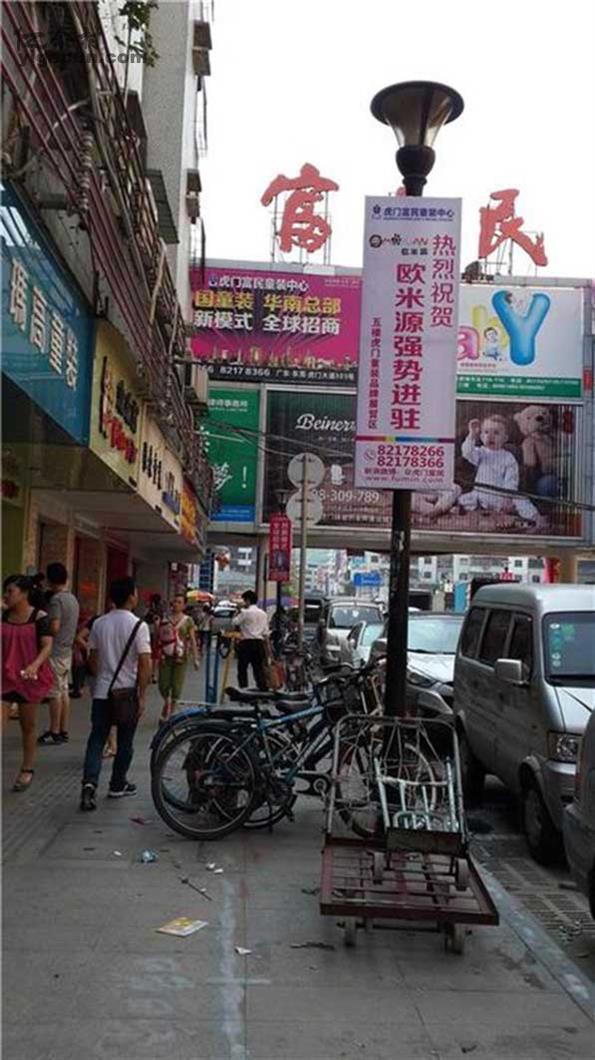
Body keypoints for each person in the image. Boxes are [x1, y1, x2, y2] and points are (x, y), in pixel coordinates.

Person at [80, 577, 151, 811]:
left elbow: (92, 658)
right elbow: (145, 663)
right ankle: (117, 784)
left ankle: (89, 784)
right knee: (125, 741)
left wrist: (103, 676)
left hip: (102, 692)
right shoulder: (139, 626)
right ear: (131, 597)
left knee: (97, 738)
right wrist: (142, 694)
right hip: (127, 694)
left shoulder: (99, 623)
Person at [1, 575, 54, 791]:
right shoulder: (4, 615)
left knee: (28, 726)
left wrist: (35, 665)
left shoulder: (39, 617)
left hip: (29, 679)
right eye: (5, 591)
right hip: (4, 677)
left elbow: (47, 646)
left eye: (10, 591)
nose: (6, 595)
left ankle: (27, 768)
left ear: (24, 593)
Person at [38, 563, 80, 746]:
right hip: (67, 651)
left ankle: (54, 731)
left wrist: (42, 622)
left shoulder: (56, 600)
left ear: (50, 580)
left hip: (55, 652)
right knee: (63, 691)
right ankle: (63, 729)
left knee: (54, 692)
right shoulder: (72, 599)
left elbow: (54, 627)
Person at [157, 593, 200, 724]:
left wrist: (196, 658)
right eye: (175, 601)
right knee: (163, 684)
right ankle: (167, 702)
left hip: (181, 657)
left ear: (184, 606)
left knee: (176, 685)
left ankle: (171, 711)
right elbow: (159, 637)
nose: (176, 604)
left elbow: (192, 640)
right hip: (165, 656)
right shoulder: (165, 619)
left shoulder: (188, 621)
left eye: (179, 602)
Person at [233, 590, 270, 691]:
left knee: (242, 668)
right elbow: (266, 632)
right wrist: (268, 649)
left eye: (244, 600)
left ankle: (243, 688)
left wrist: (238, 611)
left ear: (248, 600)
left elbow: (234, 622)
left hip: (246, 643)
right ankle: (262, 687)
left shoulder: (245, 613)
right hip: (259, 643)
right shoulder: (263, 614)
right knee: (258, 668)